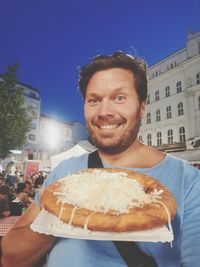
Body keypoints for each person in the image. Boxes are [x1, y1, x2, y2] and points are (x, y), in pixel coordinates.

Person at [2, 51, 200, 267]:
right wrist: (64, 214)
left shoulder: (189, 182)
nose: (104, 111)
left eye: (119, 98)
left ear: (142, 106)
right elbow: (11, 258)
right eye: (94, 100)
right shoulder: (65, 175)